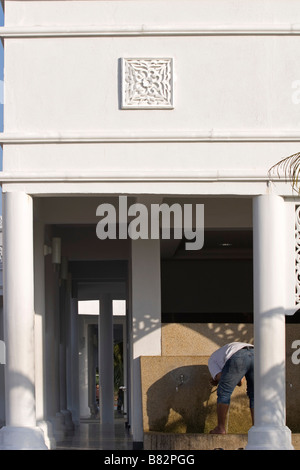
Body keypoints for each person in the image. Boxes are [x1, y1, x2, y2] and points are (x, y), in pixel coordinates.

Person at [208, 342, 254, 434]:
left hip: (238, 354)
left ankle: (220, 428)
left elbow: (221, 378)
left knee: (223, 392)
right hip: (255, 353)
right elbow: (240, 382)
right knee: (254, 395)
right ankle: (256, 428)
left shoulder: (211, 361)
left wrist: (217, 381)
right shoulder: (221, 354)